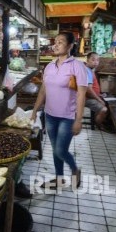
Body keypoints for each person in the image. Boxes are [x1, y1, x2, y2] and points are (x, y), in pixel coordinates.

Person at [31, 32, 88, 189]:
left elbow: (82, 94)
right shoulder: (49, 66)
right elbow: (43, 91)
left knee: (60, 150)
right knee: (56, 150)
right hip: (50, 115)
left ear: (70, 46)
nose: (55, 45)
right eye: (55, 42)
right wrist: (35, 110)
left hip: (67, 117)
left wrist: (78, 119)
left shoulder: (77, 66)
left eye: (60, 42)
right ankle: (59, 179)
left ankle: (75, 170)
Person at [84, 52, 109, 130]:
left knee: (107, 103)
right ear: (87, 60)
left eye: (97, 60)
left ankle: (98, 120)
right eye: (93, 60)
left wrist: (99, 95)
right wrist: (98, 99)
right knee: (104, 109)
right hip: (86, 99)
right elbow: (88, 90)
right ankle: (98, 124)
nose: (96, 62)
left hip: (89, 97)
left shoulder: (89, 70)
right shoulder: (87, 71)